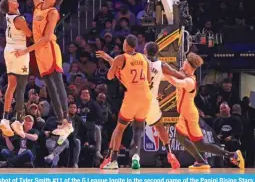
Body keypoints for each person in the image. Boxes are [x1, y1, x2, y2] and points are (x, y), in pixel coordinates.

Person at [14, 0, 73, 145]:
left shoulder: (53, 12)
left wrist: (27, 49)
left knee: (57, 83)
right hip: (39, 51)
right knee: (49, 86)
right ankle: (61, 121)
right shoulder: (39, 4)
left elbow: (47, 38)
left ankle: (67, 120)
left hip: (48, 48)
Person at [97, 41, 183, 169]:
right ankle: (170, 152)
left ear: (145, 51)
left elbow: (120, 68)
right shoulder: (162, 65)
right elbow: (178, 75)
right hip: (150, 100)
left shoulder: (141, 60)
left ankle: (110, 158)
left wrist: (109, 58)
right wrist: (188, 75)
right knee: (159, 127)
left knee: (120, 128)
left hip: (135, 97)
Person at [165, 53, 244, 170]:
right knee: (180, 137)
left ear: (190, 66)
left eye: (186, 62)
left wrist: (163, 71)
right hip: (184, 113)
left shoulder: (190, 81)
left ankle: (232, 155)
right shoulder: (184, 75)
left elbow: (175, 82)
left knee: (200, 144)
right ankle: (201, 161)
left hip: (189, 115)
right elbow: (174, 77)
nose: (184, 63)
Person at [99, 34, 152, 170]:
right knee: (138, 129)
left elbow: (110, 76)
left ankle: (114, 161)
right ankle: (136, 156)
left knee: (119, 128)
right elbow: (149, 79)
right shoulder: (143, 58)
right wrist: (109, 58)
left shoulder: (121, 57)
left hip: (132, 96)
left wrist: (114, 67)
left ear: (126, 44)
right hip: (146, 96)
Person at [0, 0, 32, 138]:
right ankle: (18, 120)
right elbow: (29, 35)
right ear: (10, 7)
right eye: (12, 1)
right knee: (22, 85)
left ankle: (5, 118)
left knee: (11, 85)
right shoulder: (18, 18)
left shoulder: (11, 15)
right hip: (19, 51)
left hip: (9, 51)